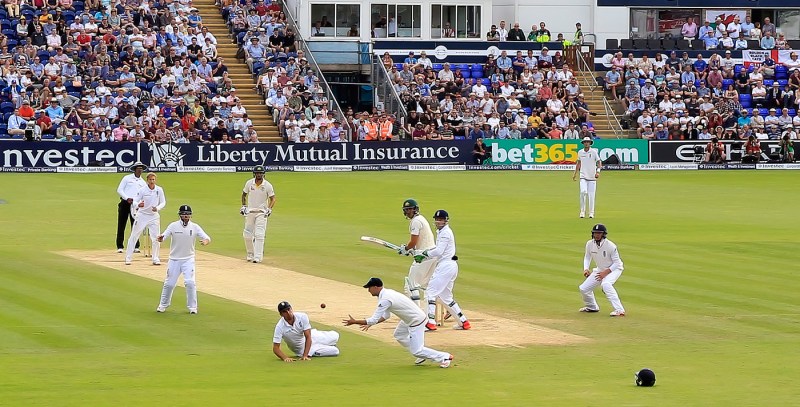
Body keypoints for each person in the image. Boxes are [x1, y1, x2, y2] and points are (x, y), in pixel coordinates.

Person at [343, 277, 454, 368]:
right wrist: (371, 323)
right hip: (409, 319)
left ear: (376, 287)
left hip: (416, 320)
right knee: (399, 335)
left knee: (416, 351)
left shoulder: (385, 299)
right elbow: (386, 316)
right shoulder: (386, 294)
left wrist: (354, 322)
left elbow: (374, 319)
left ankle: (444, 357)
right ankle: (422, 353)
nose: (368, 290)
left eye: (369, 288)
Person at [413, 210, 471, 331]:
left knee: (430, 293)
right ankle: (463, 322)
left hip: (446, 266)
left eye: (441, 220)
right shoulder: (441, 232)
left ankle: (430, 322)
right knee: (446, 297)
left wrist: (424, 254)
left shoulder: (445, 233)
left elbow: (439, 252)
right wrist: (422, 253)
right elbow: (438, 250)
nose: (438, 222)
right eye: (437, 220)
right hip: (450, 266)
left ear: (446, 220)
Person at [155, 205, 211, 314]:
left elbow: (207, 237)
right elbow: (164, 235)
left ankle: (193, 308)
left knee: (190, 282)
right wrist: (161, 238)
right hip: (174, 259)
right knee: (170, 284)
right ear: (180, 215)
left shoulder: (194, 227)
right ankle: (163, 305)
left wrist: (205, 241)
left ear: (190, 215)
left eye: (188, 214)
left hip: (188, 259)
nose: (186, 216)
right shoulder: (173, 225)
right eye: (184, 214)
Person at [578, 224, 626, 317]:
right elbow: (587, 257)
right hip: (600, 270)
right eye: (595, 233)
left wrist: (605, 273)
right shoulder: (589, 244)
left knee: (606, 284)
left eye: (599, 233)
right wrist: (586, 269)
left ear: (603, 234)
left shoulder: (611, 246)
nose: (597, 235)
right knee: (583, 289)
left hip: (614, 269)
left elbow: (617, 263)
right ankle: (592, 307)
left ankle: (619, 310)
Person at [397, 199, 437, 302]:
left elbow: (413, 242)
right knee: (426, 285)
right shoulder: (421, 219)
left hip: (423, 256)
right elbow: (420, 241)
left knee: (411, 285)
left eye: (410, 209)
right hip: (432, 255)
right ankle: (430, 312)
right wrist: (411, 250)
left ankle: (414, 314)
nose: (408, 212)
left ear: (415, 209)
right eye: (406, 209)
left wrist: (405, 249)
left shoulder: (416, 222)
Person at [273, 301, 340, 362]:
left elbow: (308, 336)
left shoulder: (302, 316)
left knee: (335, 336)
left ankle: (326, 343)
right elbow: (276, 348)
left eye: (288, 309)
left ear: (291, 309)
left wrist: (305, 356)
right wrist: (285, 358)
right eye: (284, 311)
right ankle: (326, 345)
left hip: (313, 337)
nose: (288, 312)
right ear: (281, 314)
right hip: (301, 349)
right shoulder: (279, 326)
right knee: (335, 351)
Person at [124, 172, 166, 266]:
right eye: (150, 180)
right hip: (142, 215)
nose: (152, 181)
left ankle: (155, 258)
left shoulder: (159, 190)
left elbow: (163, 202)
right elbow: (135, 200)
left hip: (154, 216)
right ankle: (128, 258)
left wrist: (157, 208)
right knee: (134, 236)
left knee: (156, 238)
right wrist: (138, 205)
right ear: (147, 180)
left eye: (153, 180)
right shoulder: (142, 190)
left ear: (155, 180)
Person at [241, 165, 276, 263]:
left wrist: (269, 208)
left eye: (260, 173)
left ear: (263, 174)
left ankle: (258, 256)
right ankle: (250, 254)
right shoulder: (249, 183)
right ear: (254, 174)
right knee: (247, 234)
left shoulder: (267, 185)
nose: (259, 174)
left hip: (261, 212)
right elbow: (244, 194)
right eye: (257, 173)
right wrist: (244, 206)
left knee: (259, 234)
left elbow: (273, 198)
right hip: (250, 211)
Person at [116, 162, 148, 253]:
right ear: (134, 169)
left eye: (141, 168)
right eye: (138, 168)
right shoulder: (127, 178)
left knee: (135, 225)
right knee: (121, 225)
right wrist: (127, 198)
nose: (139, 170)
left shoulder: (143, 182)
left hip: (136, 205)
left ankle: (136, 246)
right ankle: (120, 246)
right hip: (125, 203)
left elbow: (143, 194)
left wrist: (140, 203)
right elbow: (119, 190)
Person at [572, 137, 602, 219]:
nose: (586, 143)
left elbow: (599, 162)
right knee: (583, 192)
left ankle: (591, 213)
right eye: (585, 142)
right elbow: (578, 163)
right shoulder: (580, 152)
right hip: (583, 176)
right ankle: (582, 211)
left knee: (591, 196)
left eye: (588, 142)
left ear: (590, 143)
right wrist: (575, 174)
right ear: (583, 143)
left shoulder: (594, 152)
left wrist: (598, 172)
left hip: (592, 177)